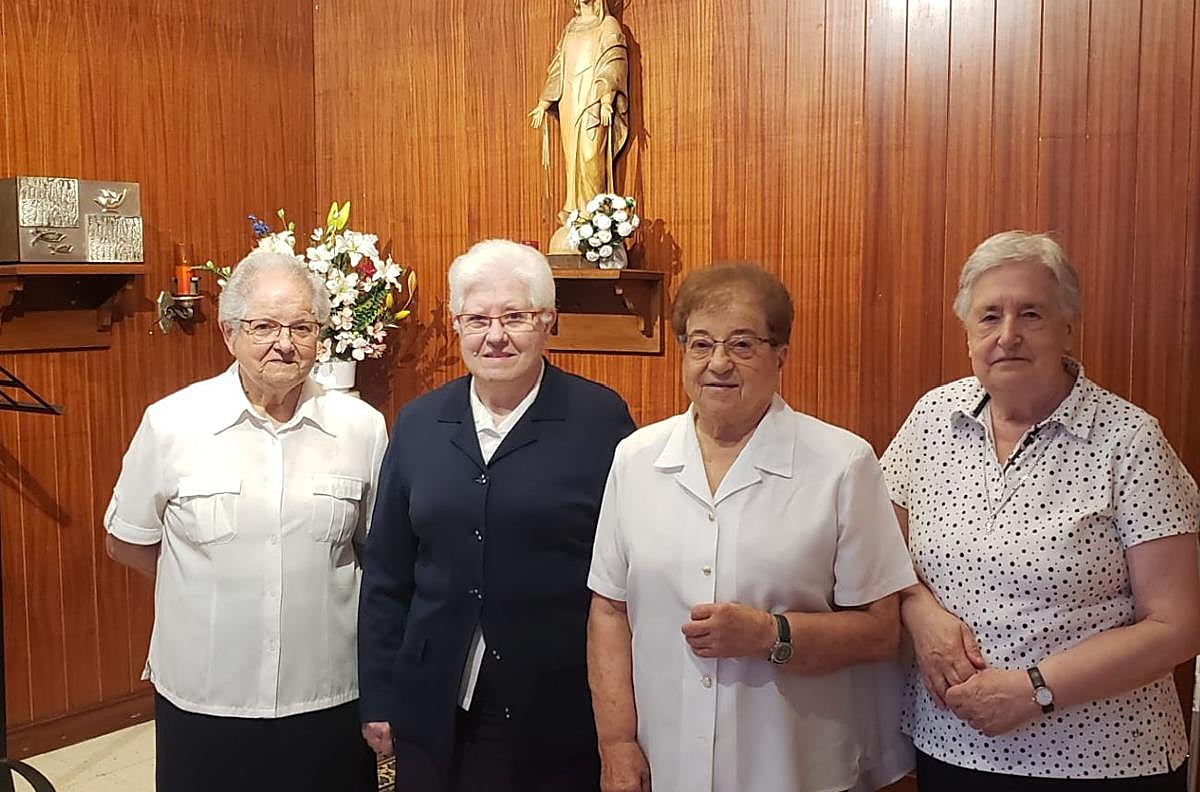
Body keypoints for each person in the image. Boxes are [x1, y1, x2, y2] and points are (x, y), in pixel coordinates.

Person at [881, 231, 1200, 791]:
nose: (1008, 335)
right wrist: (919, 613)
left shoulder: (1129, 439)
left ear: (1067, 327)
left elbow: (1177, 626)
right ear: (967, 334)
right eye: (989, 317)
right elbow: (879, 556)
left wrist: (1034, 689)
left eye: (1031, 313)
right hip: (953, 745)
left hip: (1102, 762)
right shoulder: (933, 417)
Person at [588, 261, 917, 792]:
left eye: (742, 345)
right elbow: (608, 608)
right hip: (664, 761)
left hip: (791, 763)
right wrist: (617, 744)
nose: (718, 363)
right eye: (700, 344)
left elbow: (881, 631)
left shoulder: (842, 463)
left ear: (780, 354)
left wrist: (771, 633)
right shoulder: (636, 458)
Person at [358, 239, 636, 792]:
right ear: (457, 324)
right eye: (477, 318)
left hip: (557, 706)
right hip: (434, 700)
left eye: (516, 317)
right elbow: (388, 573)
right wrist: (380, 696)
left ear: (549, 322)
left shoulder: (600, 421)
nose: (495, 335)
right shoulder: (418, 424)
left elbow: (626, 573)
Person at [104, 251, 386, 792]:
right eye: (264, 326)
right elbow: (129, 541)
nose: (285, 343)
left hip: (326, 694)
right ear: (229, 333)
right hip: (206, 694)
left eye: (302, 327)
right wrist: (210, 586)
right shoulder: (172, 424)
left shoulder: (361, 428)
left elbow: (375, 551)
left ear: (321, 335)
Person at [529, 0, 630, 229]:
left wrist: (607, 100)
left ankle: (595, 219)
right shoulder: (571, 26)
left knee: (590, 155)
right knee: (571, 159)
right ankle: (574, 215)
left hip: (593, 101)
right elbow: (558, 65)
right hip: (569, 101)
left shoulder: (607, 24)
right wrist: (544, 103)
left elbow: (614, 61)